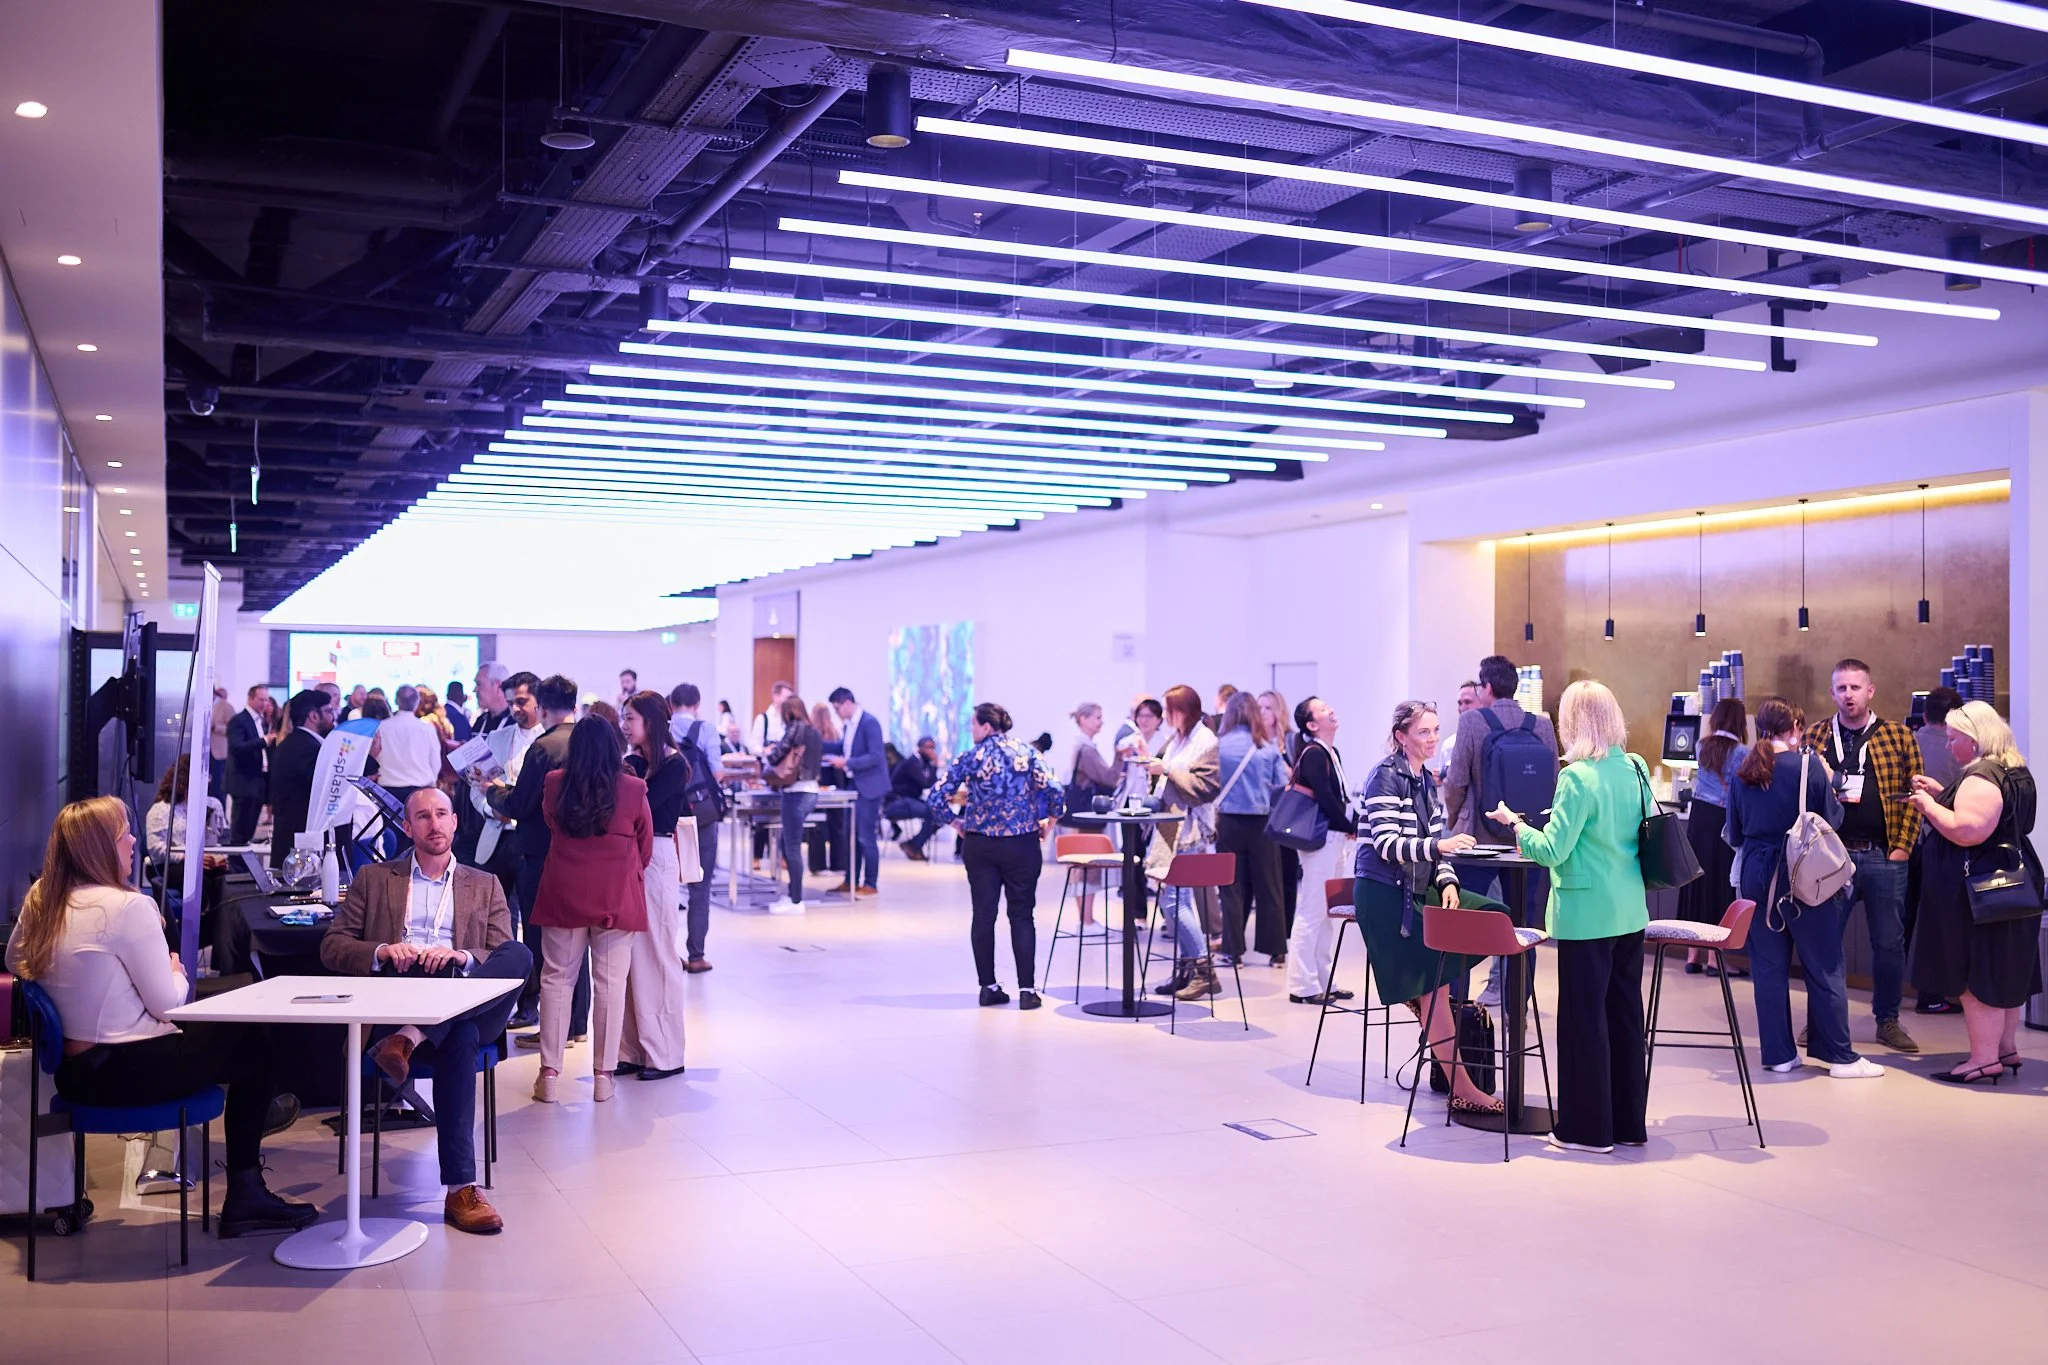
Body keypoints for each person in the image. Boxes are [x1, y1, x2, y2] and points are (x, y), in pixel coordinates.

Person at [6, 798, 315, 1238]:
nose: (133, 841)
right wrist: (175, 969)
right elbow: (168, 1003)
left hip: (76, 1073)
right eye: (123, 834)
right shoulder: (127, 908)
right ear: (99, 849)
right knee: (255, 1040)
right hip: (129, 1072)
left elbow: (15, 959)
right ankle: (247, 1189)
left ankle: (259, 1119)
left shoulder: (43, 900)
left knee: (233, 1020)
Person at [320, 788, 532, 1233]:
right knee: (461, 1030)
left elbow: (497, 953)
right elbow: (332, 946)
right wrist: (382, 950)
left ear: (455, 822)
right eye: (422, 816)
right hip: (397, 997)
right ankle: (461, 1190)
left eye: (441, 815)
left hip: (456, 997)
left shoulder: (484, 883)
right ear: (406, 827)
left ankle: (411, 1039)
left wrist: (461, 957)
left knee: (517, 957)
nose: (434, 824)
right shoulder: (374, 878)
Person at [1490, 680, 1651, 1154]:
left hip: (1586, 913)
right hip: (1629, 909)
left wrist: (1517, 825)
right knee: (1623, 1016)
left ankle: (1586, 1130)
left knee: (1583, 1022)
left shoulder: (1577, 776)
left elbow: (1552, 849)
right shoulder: (1636, 767)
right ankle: (1626, 1125)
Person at [1726, 696, 1884, 1081]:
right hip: (1801, 870)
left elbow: (1733, 830)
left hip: (1756, 873)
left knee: (1767, 965)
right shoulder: (1809, 766)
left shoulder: (1744, 769)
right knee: (1824, 962)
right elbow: (1833, 817)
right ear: (1795, 728)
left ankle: (1778, 1054)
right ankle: (1839, 1057)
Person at [1355, 700, 1501, 1116]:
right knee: (1435, 983)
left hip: (1417, 890)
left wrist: (1448, 880)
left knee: (1494, 915)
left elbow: (1437, 848)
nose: (1432, 738)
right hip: (1385, 894)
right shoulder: (1385, 777)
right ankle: (1463, 1087)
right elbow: (1387, 846)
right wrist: (1440, 848)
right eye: (1423, 732)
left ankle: (1420, 994)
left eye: (1436, 730)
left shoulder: (1425, 780)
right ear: (1401, 737)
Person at [1907, 702, 2042, 1083]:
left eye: (1953, 739)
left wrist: (1929, 806)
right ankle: (2005, 1048)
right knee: (2006, 967)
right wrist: (1943, 792)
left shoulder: (1980, 776)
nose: (1949, 746)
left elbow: (1968, 830)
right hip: (2013, 882)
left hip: (1979, 890)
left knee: (1977, 973)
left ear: (1974, 739)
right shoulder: (2014, 770)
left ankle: (1983, 1059)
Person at [1803, 659, 1923, 1054]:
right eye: (1841, 688)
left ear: (1870, 691)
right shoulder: (1817, 736)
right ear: (1832, 692)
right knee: (1824, 942)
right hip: (1829, 858)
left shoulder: (1898, 736)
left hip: (1883, 856)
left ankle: (1887, 1020)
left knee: (1889, 943)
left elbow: (1913, 795)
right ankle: (1820, 1020)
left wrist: (1903, 846)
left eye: (1855, 687)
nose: (1848, 695)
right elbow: (1801, 794)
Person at [530, 715, 652, 1103]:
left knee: (556, 980)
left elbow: (550, 823)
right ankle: (603, 1075)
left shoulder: (554, 784)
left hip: (564, 891)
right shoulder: (633, 788)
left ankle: (549, 1073)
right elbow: (644, 843)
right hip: (615, 895)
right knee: (610, 985)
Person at [929, 702, 1064, 1008]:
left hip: (980, 845)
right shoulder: (1028, 753)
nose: (971, 730)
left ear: (986, 726)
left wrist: (956, 823)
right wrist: (1050, 823)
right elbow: (1055, 790)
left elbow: (936, 796)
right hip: (1022, 843)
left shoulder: (970, 756)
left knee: (983, 914)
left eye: (973, 725)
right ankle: (1027, 991)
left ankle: (988, 987)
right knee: (1022, 915)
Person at [1443, 654, 1559, 1009]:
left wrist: (1453, 821)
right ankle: (1517, 1006)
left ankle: (1458, 1007)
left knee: (1464, 924)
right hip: (1526, 841)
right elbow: (1552, 780)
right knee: (1523, 928)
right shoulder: (1541, 725)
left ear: (1487, 688)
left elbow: (1456, 781)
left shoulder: (1473, 722)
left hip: (1477, 838)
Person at [487, 674, 590, 1043]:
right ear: (575, 705)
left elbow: (520, 803)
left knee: (546, 942)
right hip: (582, 854)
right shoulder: (590, 742)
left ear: (542, 708)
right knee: (578, 940)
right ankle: (577, 1025)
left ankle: (554, 1029)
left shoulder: (543, 749)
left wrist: (492, 792)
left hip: (542, 853)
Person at [617, 692, 689, 1081]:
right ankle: (631, 1049)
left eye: (631, 718)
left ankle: (665, 1053)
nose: (625, 726)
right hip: (626, 857)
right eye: (624, 719)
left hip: (656, 856)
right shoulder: (630, 763)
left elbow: (640, 809)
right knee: (626, 957)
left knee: (658, 953)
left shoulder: (674, 766)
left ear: (652, 722)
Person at [1145, 685, 1224, 1001]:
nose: (1166, 717)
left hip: (1187, 830)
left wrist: (1165, 768)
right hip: (1168, 826)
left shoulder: (1205, 741)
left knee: (1175, 903)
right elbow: (1164, 774)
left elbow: (1205, 787)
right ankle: (1188, 970)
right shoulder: (1177, 738)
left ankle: (1205, 970)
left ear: (1186, 710)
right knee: (1175, 901)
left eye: (1170, 710)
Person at [1283, 696, 1360, 1006]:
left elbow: (1337, 797)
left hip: (1333, 839)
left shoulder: (1330, 752)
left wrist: (1348, 827)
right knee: (1312, 912)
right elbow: (1328, 801)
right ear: (1312, 724)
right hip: (1321, 840)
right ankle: (1301, 984)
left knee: (1326, 913)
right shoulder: (1313, 754)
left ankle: (1324, 979)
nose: (1331, 709)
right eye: (1322, 708)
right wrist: (1349, 826)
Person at [1213, 691, 1289, 968]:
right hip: (1262, 822)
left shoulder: (1219, 747)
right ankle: (1276, 951)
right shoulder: (1267, 748)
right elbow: (1280, 785)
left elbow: (1211, 786)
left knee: (1231, 887)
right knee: (1270, 886)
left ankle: (1233, 951)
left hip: (1229, 822)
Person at [1677, 697, 1748, 970]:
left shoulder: (1701, 745)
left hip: (1698, 817)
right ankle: (1715, 959)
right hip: (1722, 819)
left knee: (1697, 881)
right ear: (1740, 722)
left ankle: (1693, 956)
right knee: (1719, 885)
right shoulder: (1742, 752)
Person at [1910, 685, 1966, 1014]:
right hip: (1941, 843)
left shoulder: (1909, 742)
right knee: (1935, 921)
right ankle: (1931, 994)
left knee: (1903, 923)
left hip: (1904, 844)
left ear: (1925, 714)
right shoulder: (1961, 754)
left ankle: (1899, 992)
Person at [667, 682, 724, 971]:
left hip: (666, 814)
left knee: (664, 885)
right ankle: (697, 955)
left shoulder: (661, 729)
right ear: (697, 703)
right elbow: (717, 772)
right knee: (700, 887)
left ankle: (665, 954)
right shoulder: (706, 730)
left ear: (672, 704)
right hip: (701, 815)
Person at [761, 694, 822, 914]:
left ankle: (796, 900)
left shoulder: (795, 727)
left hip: (795, 793)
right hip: (811, 791)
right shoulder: (814, 731)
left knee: (792, 847)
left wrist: (768, 752)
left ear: (789, 711)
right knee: (791, 845)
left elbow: (776, 757)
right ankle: (793, 895)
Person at [827, 687, 889, 897]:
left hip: (869, 788)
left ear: (846, 703)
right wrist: (820, 745)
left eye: (837, 708)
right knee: (850, 835)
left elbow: (875, 756)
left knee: (865, 836)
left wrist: (847, 762)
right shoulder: (849, 726)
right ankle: (850, 879)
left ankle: (870, 883)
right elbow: (843, 748)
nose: (836, 713)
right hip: (854, 785)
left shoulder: (869, 723)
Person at [268, 688, 336, 871]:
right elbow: (319, 793)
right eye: (329, 711)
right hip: (300, 846)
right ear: (313, 716)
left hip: (293, 841)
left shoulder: (294, 743)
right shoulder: (307, 748)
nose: (334, 716)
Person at [1259, 689, 1299, 958]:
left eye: (1268, 708)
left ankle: (1284, 939)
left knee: (1286, 876)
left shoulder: (1292, 742)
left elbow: (1298, 777)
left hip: (1287, 817)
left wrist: (1280, 766)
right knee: (1264, 879)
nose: (1262, 713)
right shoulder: (1255, 742)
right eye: (1259, 708)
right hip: (1262, 816)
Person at [373, 684, 443, 818]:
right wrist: (432, 781)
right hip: (420, 788)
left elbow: (375, 757)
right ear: (417, 702)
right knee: (417, 835)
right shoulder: (426, 729)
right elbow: (435, 761)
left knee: (391, 834)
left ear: (396, 701)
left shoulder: (381, 727)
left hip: (388, 791)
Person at [225, 683, 271, 846]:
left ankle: (244, 862)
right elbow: (236, 747)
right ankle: (236, 864)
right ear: (250, 698)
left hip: (257, 778)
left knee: (251, 823)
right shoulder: (239, 721)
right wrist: (264, 741)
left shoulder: (261, 721)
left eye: (266, 700)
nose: (264, 703)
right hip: (243, 780)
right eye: (261, 700)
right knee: (240, 826)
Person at [886, 736, 943, 862]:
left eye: (933, 748)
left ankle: (914, 844)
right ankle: (914, 846)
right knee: (932, 812)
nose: (932, 751)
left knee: (941, 813)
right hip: (896, 802)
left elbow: (931, 783)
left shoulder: (924, 763)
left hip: (910, 801)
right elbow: (924, 782)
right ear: (920, 747)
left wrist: (933, 766)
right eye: (928, 747)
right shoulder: (913, 762)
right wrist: (934, 765)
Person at [208, 685, 233, 801]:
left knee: (218, 787)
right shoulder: (200, 705)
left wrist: (216, 727)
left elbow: (234, 729)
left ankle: (219, 815)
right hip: (203, 752)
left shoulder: (226, 707)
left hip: (218, 753)